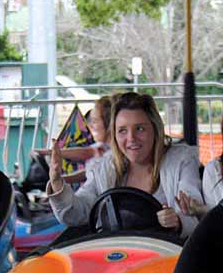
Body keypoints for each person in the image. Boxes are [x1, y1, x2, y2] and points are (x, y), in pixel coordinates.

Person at [47, 91, 203, 236]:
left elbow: (194, 213)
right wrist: (56, 183)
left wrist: (177, 222)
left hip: (165, 257)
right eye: (122, 130)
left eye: (140, 129)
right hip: (117, 257)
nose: (131, 138)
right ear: (114, 135)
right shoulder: (105, 168)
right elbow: (76, 214)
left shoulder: (181, 161)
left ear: (155, 130)